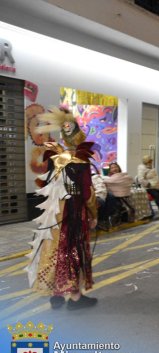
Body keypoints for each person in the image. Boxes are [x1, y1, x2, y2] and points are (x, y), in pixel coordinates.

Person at [25, 106, 98, 310]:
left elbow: (45, 184)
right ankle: (75, 297)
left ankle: (56, 294)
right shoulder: (81, 160)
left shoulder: (55, 157)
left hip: (53, 212)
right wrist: (93, 214)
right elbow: (87, 193)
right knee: (72, 250)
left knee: (54, 249)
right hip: (73, 212)